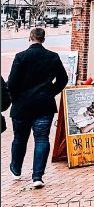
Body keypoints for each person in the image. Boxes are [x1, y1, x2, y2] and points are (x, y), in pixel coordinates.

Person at [7, 26, 68, 188]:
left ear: (30, 38)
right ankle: (37, 176)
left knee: (19, 138)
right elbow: (63, 79)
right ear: (43, 39)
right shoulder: (53, 57)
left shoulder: (21, 57)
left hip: (22, 106)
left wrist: (16, 98)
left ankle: (16, 169)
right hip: (44, 105)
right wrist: (50, 92)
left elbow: (11, 83)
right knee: (42, 139)